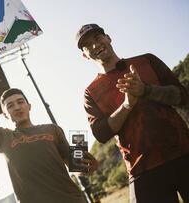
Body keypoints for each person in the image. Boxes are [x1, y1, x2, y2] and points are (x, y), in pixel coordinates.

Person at [76, 24, 189, 203]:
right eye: (87, 45)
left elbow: (182, 96)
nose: (95, 46)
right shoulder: (91, 92)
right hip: (143, 170)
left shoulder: (147, 61)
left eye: (97, 38)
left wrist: (146, 90)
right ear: (84, 55)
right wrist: (127, 104)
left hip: (184, 152)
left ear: (108, 38)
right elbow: (101, 133)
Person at [0, 70, 98, 203]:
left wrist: (89, 167)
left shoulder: (52, 129)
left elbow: (76, 166)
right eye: (10, 106)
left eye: (20, 102)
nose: (16, 107)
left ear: (29, 106)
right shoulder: (2, 137)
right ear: (5, 115)